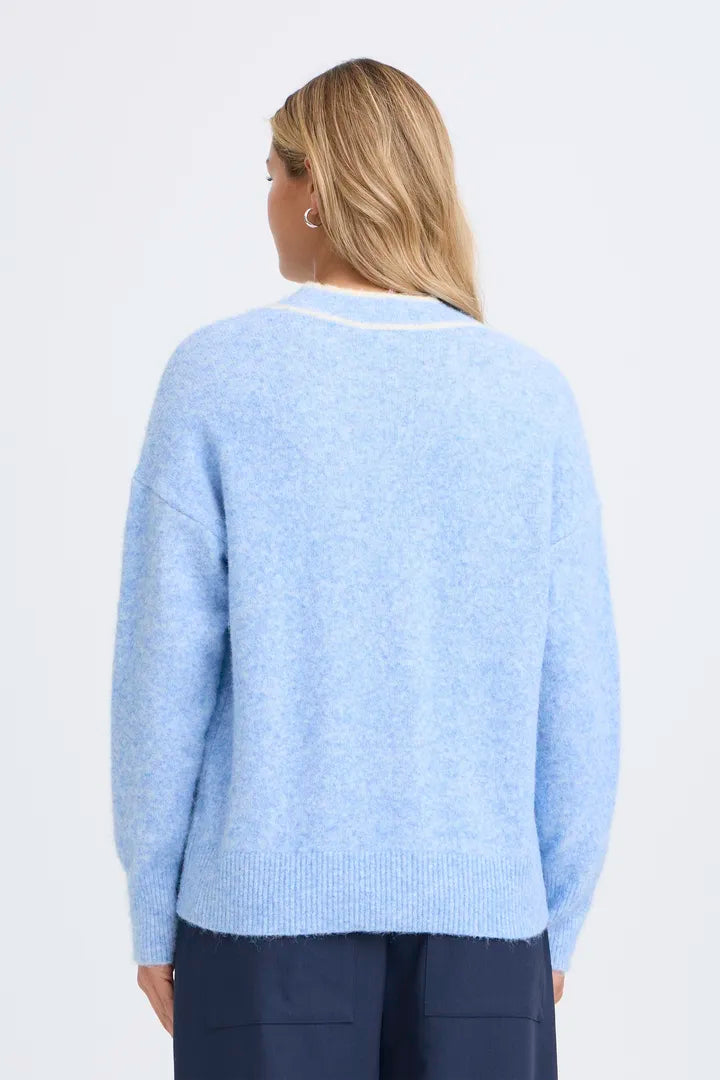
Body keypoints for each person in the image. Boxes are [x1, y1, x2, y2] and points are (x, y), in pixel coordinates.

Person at [111, 57, 621, 1080]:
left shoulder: (215, 378)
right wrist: (554, 920)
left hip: (259, 931)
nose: (266, 199)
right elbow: (581, 695)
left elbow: (161, 681)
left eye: (272, 174)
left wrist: (152, 910)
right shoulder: (530, 397)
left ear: (316, 192)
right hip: (487, 934)